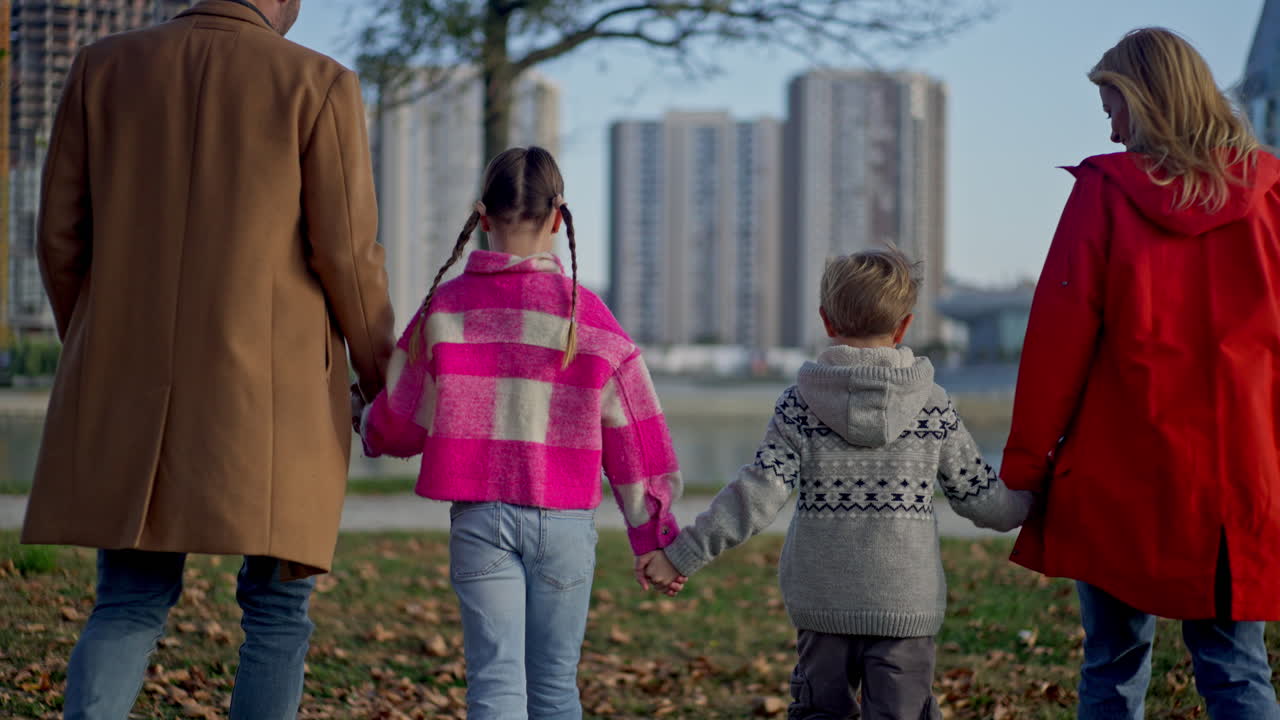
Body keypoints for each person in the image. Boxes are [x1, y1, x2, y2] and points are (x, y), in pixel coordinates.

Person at [20, 1, 396, 718]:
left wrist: (100, 344)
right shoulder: (317, 83)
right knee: (278, 609)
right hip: (275, 401)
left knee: (129, 600)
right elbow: (346, 253)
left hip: (132, 389)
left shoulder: (102, 67)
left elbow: (60, 239)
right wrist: (380, 375)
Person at [1001, 27, 1280, 720]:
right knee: (1237, 668)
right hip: (1237, 484)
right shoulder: (1273, 197)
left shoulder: (1104, 194)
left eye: (1115, 107)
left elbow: (1056, 348)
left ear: (1149, 102)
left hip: (1116, 479)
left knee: (1113, 663)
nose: (1114, 129)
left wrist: (1025, 471)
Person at [357, 146, 683, 719]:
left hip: (480, 520)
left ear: (482, 217)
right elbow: (636, 435)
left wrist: (368, 427)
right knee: (555, 689)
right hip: (563, 525)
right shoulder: (589, 318)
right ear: (559, 218)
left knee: (495, 687)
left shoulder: (447, 308)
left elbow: (404, 417)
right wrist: (652, 535)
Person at [644, 250, 1032, 720]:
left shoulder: (800, 405)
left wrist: (681, 554)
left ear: (826, 321)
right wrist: (1032, 504)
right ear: (904, 327)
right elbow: (982, 499)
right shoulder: (933, 406)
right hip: (904, 605)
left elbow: (756, 495)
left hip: (821, 602)